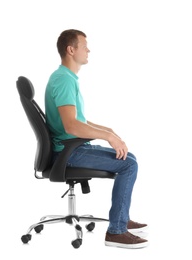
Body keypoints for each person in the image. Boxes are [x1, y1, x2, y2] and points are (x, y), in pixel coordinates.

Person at [45, 29, 148, 249]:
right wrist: (108, 137)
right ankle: (116, 231)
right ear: (71, 50)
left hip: (71, 149)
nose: (88, 49)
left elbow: (79, 120)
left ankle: (121, 216)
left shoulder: (66, 77)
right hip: (69, 153)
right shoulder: (63, 80)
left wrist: (109, 130)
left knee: (130, 157)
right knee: (129, 164)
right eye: (84, 46)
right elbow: (71, 125)